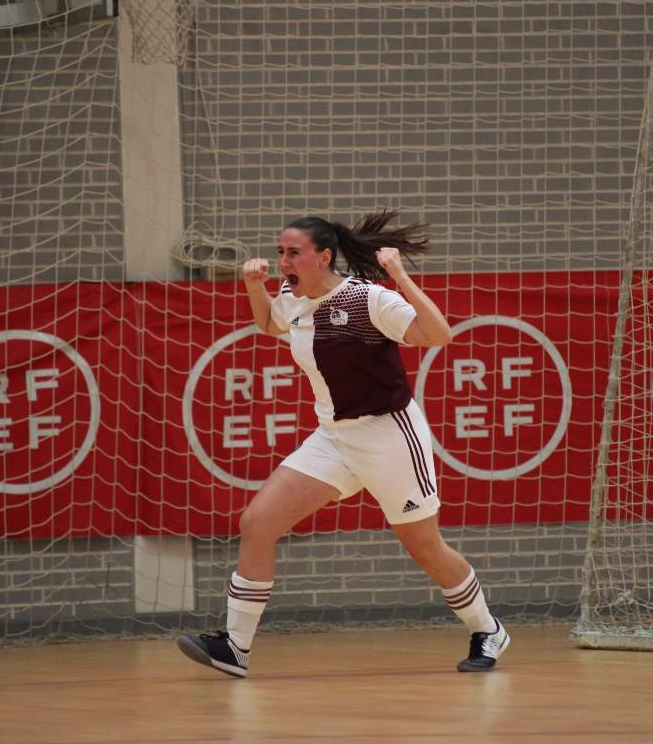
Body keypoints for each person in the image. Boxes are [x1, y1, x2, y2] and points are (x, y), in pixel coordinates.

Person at [176, 210, 509, 678]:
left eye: (294, 253)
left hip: (390, 436)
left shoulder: (367, 298)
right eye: (280, 252)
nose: (284, 260)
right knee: (257, 522)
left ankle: (488, 629)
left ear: (324, 256)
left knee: (424, 546)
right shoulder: (291, 295)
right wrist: (255, 288)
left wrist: (398, 274)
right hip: (333, 436)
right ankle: (235, 647)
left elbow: (439, 335)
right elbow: (272, 325)